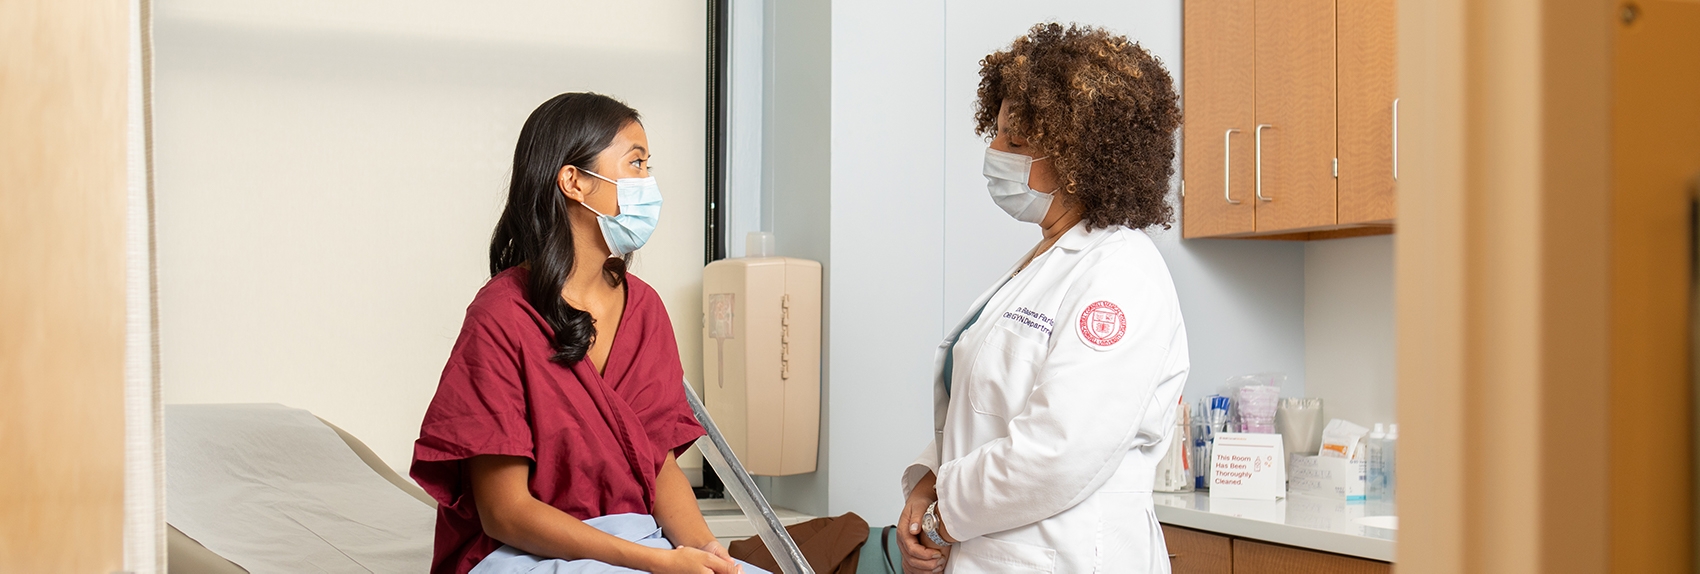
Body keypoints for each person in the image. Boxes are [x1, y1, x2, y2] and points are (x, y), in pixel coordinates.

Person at [410, 92, 753, 574]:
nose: (648, 183)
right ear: (574, 181)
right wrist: (653, 562)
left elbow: (660, 464)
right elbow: (504, 512)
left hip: (639, 543)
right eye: (635, 164)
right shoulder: (503, 315)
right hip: (522, 553)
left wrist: (705, 550)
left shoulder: (645, 308)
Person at [895, 24, 1190, 573]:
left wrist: (940, 519)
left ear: (1080, 157)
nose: (995, 150)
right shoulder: (1046, 264)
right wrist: (927, 485)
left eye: (1017, 141)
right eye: (999, 132)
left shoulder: (1122, 274)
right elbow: (981, 414)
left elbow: (1059, 452)